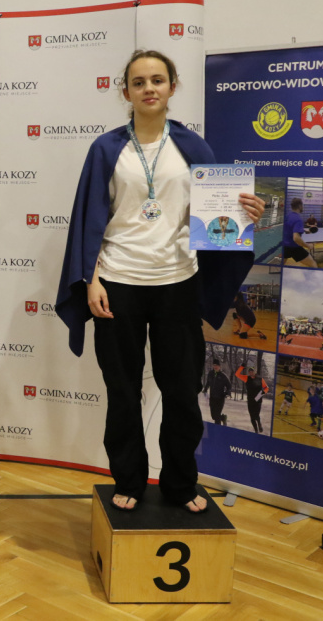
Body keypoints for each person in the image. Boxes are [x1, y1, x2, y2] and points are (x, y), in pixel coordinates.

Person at [55, 49, 265, 513]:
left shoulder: (193, 148)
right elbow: (89, 221)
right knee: (123, 392)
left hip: (177, 283)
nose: (148, 88)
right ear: (125, 91)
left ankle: (180, 484)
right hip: (117, 283)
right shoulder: (106, 149)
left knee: (183, 394)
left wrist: (246, 213)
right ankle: (128, 479)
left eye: (157, 80)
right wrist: (91, 280)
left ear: (172, 86)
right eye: (139, 82)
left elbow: (215, 219)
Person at [283, 198, 317, 267]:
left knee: (280, 265)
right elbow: (296, 238)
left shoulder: (287, 215)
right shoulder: (298, 219)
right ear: (300, 206)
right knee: (313, 264)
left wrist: (303, 230)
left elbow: (289, 228)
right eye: (302, 205)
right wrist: (308, 246)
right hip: (293, 247)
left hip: (284, 246)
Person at [235, 365, 269, 434]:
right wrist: (242, 367)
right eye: (249, 371)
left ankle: (259, 424)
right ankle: (256, 430)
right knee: (252, 417)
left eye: (252, 371)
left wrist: (262, 393)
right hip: (250, 400)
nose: (251, 372)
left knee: (256, 415)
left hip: (258, 399)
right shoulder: (246, 378)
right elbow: (237, 374)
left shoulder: (260, 379)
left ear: (255, 371)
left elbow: (266, 388)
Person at [203, 358, 231, 426]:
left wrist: (227, 393)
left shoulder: (223, 376)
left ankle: (217, 430)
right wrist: (205, 389)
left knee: (217, 416)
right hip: (212, 398)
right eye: (214, 365)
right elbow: (208, 382)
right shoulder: (210, 374)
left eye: (217, 365)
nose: (215, 367)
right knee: (213, 416)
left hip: (220, 398)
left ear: (219, 366)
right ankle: (223, 418)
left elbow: (229, 386)